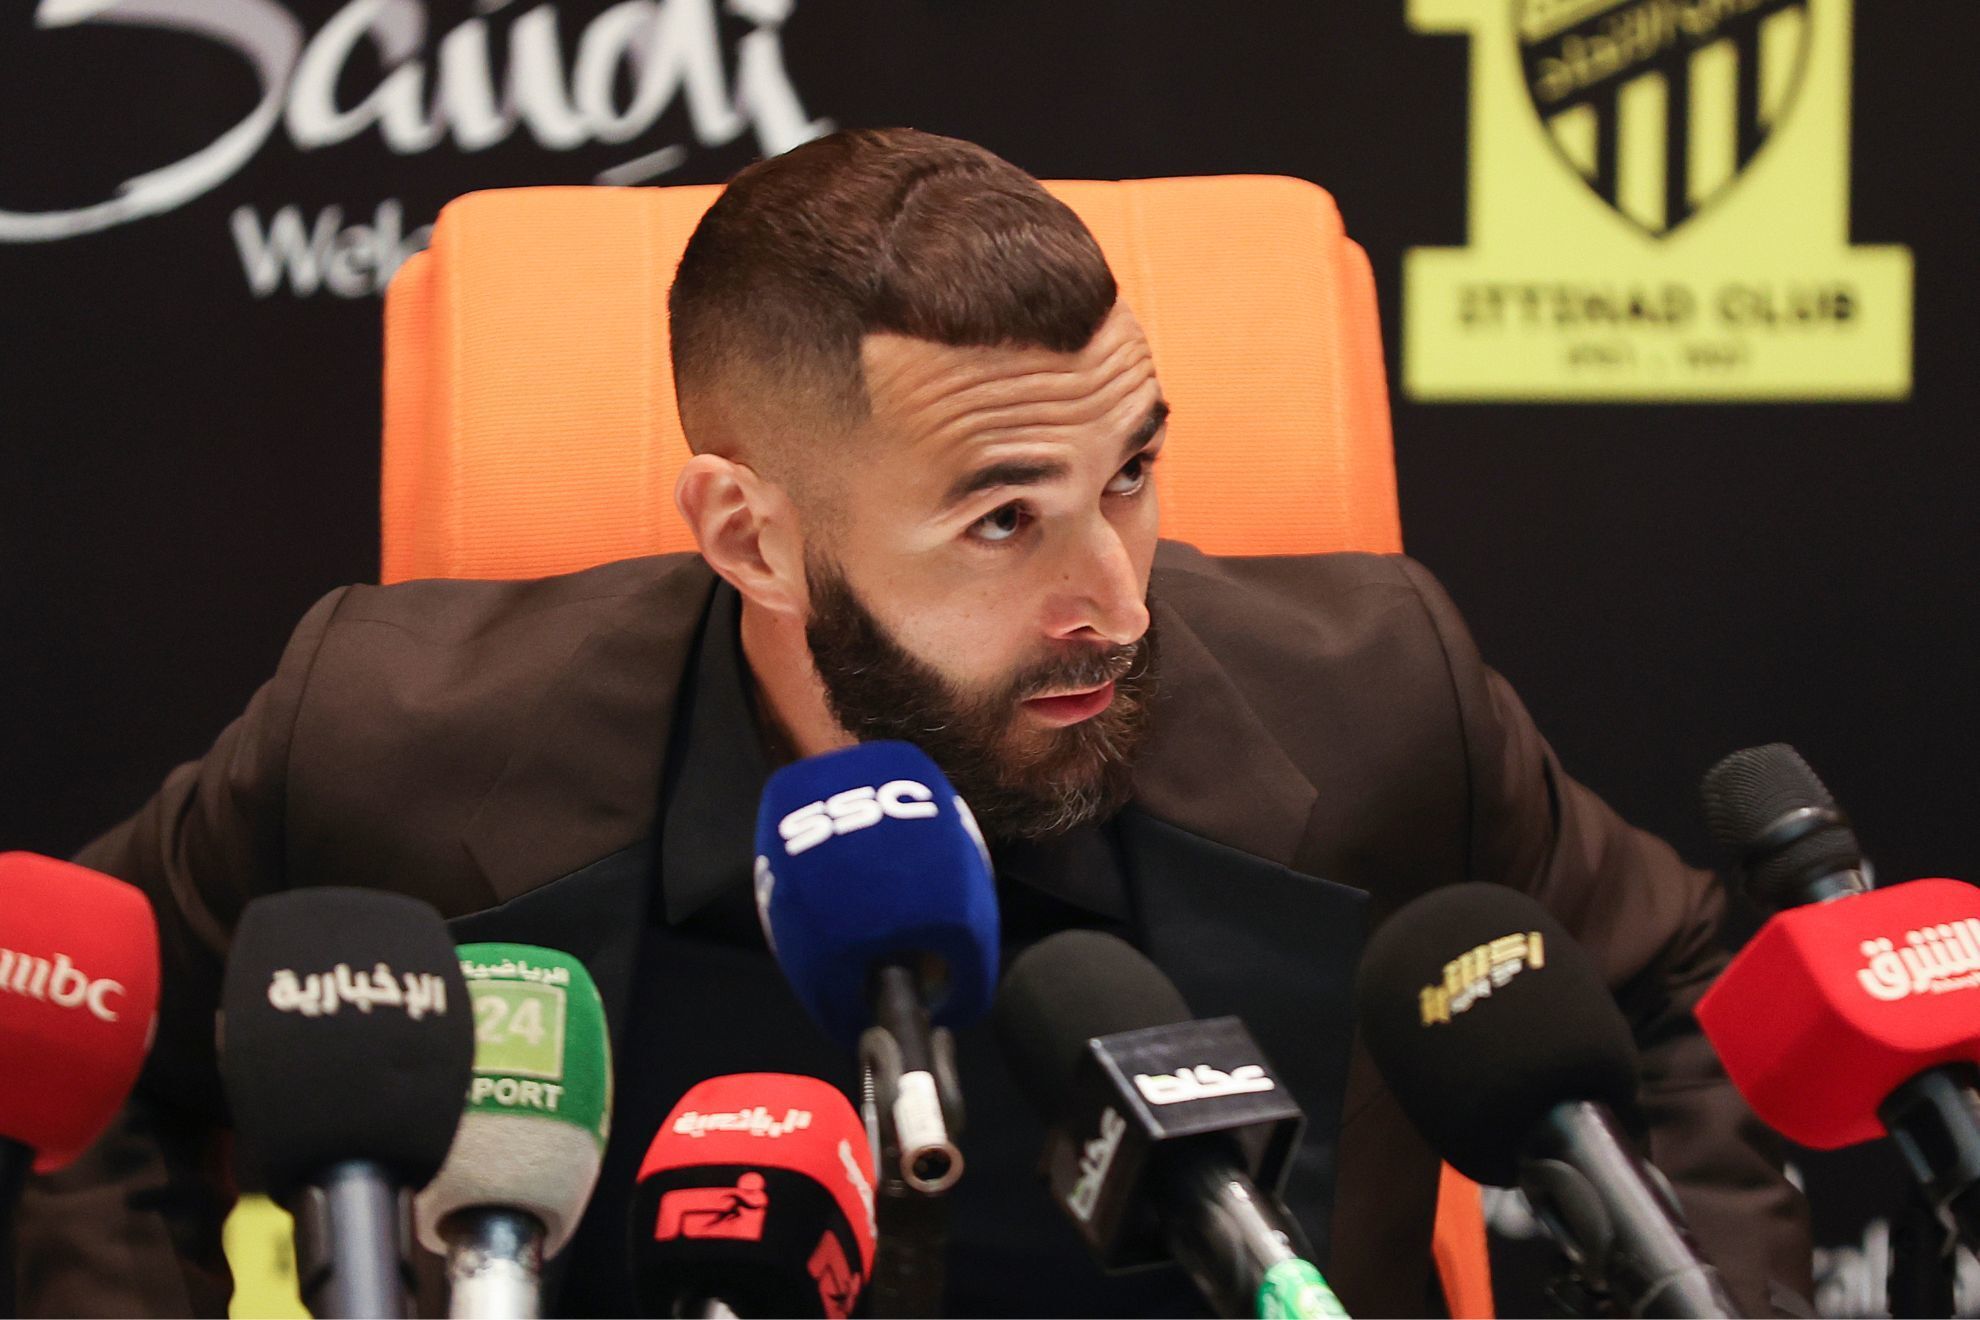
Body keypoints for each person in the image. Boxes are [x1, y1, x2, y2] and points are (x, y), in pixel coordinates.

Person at [18, 127, 1810, 1317]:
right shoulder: (393, 729)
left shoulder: (1376, 691)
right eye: (1004, 520)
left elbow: (1681, 995)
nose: (1114, 591)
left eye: (1135, 474)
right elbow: (70, 1065)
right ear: (750, 533)